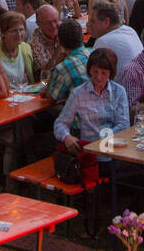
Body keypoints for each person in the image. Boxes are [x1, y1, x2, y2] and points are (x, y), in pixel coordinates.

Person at [54, 47, 130, 185]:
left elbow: (124, 125)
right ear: (89, 70)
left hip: (114, 153)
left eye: (103, 73)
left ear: (110, 73)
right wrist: (67, 137)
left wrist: (105, 135)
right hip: (90, 157)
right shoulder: (78, 94)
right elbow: (60, 123)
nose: (99, 77)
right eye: (95, 72)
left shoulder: (119, 91)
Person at [87, 1, 144, 71]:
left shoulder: (103, 42)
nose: (88, 24)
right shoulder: (130, 30)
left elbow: (95, 75)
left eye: (92, 21)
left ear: (106, 22)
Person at [45, 20, 92, 104]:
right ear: (82, 36)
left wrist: (55, 66)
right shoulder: (94, 52)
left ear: (59, 42)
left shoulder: (64, 67)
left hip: (80, 113)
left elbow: (50, 98)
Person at [0, 11, 35, 88]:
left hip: (25, 95)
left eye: (21, 30)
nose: (19, 34)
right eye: (13, 31)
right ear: (3, 32)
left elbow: (30, 80)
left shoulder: (26, 48)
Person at [29, 4, 64, 77]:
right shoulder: (34, 42)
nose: (53, 26)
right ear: (38, 24)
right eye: (48, 23)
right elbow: (45, 73)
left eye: (55, 21)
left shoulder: (64, 30)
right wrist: (59, 50)